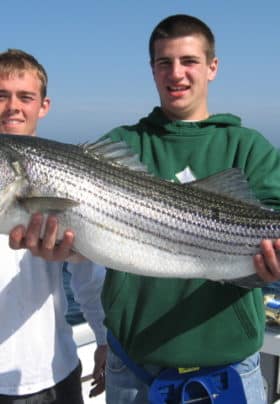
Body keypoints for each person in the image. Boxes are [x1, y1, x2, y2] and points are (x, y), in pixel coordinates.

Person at [8, 15, 280, 403]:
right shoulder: (118, 145)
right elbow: (87, 244)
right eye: (164, 63)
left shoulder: (249, 146)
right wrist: (63, 250)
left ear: (212, 67)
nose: (177, 73)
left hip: (232, 371)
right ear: (152, 70)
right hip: (133, 373)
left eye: (189, 61)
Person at [0, 49, 107, 403]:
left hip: (54, 372)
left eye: (25, 97)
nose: (12, 106)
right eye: (1, 95)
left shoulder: (68, 175)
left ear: (43, 106)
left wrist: (104, 339)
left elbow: (88, 278)